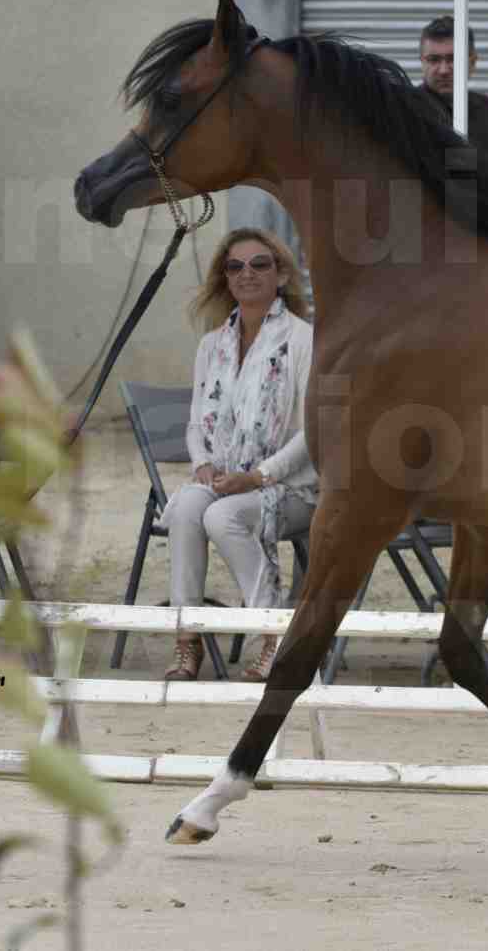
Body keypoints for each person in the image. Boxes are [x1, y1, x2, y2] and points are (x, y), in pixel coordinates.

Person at [162, 228, 317, 682]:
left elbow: (314, 431)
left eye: (259, 264)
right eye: (235, 266)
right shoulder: (213, 345)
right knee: (189, 507)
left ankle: (273, 634)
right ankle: (187, 638)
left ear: (282, 274)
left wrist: (259, 476)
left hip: (293, 487)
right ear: (225, 279)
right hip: (226, 479)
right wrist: (203, 465)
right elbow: (196, 424)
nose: (246, 274)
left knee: (222, 516)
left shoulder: (304, 340)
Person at [417, 15, 488, 159]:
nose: (443, 70)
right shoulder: (407, 108)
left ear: (472, 62)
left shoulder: (486, 107)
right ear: (422, 63)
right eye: (434, 60)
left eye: (453, 59)